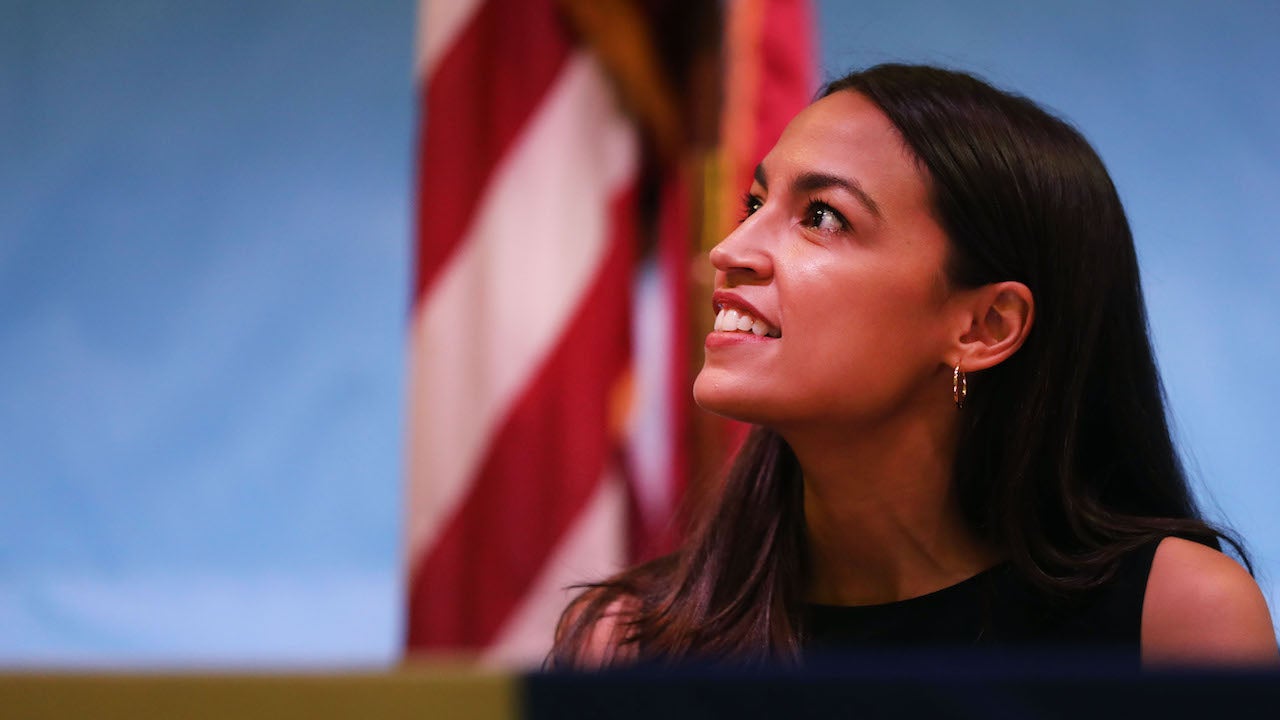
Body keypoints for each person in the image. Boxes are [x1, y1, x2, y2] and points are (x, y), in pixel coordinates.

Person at [549, 64, 1277, 669]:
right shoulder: (629, 642)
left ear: (985, 327)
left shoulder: (1179, 621)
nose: (730, 249)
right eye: (756, 202)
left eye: (822, 217)